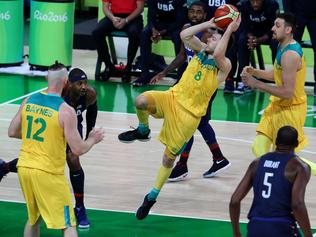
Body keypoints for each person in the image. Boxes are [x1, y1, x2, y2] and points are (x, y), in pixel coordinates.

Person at [118, 16, 240, 219]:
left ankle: (151, 197)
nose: (210, 38)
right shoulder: (200, 49)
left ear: (224, 44)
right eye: (211, 36)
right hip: (172, 97)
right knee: (140, 101)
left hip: (189, 115)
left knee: (168, 158)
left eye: (215, 37)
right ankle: (143, 129)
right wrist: (210, 23)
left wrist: (229, 29)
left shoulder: (224, 65)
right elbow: (185, 34)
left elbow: (219, 53)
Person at [7, 62, 104, 237]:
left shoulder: (28, 100)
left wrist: (44, 136)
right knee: (68, 225)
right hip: (48, 173)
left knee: (33, 219)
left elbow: (12, 132)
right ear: (66, 82)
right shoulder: (65, 111)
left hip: (25, 169)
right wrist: (92, 139)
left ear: (46, 78)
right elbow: (78, 149)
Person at [150, 1, 230, 182]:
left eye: (199, 12)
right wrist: (164, 72)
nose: (195, 15)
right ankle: (216, 158)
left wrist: (228, 28)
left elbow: (218, 56)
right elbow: (181, 55)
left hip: (204, 84)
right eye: (192, 11)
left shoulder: (209, 35)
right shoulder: (188, 29)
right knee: (196, 124)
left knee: (194, 124)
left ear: (205, 15)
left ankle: (185, 165)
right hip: (189, 81)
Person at [241, 12, 316, 175]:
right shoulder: (282, 46)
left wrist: (256, 83)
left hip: (290, 110)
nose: (272, 28)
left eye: (277, 25)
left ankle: (304, 170)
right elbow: (277, 74)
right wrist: (256, 72)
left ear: (288, 30)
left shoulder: (290, 55)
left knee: (285, 159)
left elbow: (288, 92)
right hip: (277, 106)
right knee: (258, 147)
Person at [229, 126, 312, 237]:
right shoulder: (299, 167)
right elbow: (297, 204)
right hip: (282, 227)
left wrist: (236, 232)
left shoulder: (257, 163)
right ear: (297, 144)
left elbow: (234, 201)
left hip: (255, 227)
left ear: (276, 141)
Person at [131, 0, 187, 86]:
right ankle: (144, 75)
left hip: (175, 25)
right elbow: (150, 16)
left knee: (179, 39)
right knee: (144, 34)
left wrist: (161, 33)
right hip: (158, 24)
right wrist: (153, 29)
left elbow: (180, 21)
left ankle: (180, 78)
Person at [233, 0, 279, 94]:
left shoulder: (272, 4)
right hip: (252, 31)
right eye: (252, 1)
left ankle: (278, 78)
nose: (255, 4)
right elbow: (244, 26)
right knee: (242, 41)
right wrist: (251, 38)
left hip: (269, 32)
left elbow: (274, 26)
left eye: (257, 1)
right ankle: (244, 81)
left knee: (276, 44)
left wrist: (260, 40)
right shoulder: (244, 4)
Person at [92, 0, 144, 82]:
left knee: (134, 33)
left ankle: (128, 68)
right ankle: (109, 66)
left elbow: (140, 8)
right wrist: (113, 18)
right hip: (114, 16)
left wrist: (126, 20)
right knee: (96, 33)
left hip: (133, 17)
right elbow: (105, 7)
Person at [282, 0, 316, 96]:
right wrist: (289, 17)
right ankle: (288, 85)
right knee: (291, 50)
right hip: (296, 16)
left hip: (314, 16)